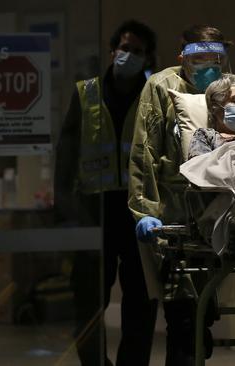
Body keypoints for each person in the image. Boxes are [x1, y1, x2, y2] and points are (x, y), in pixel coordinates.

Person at [54, 20, 158, 366]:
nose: (129, 55)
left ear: (147, 59)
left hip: (137, 210)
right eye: (125, 48)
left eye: (138, 51)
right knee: (88, 301)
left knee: (140, 303)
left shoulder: (153, 95)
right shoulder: (87, 93)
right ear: (113, 51)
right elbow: (66, 155)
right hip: (94, 209)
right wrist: (65, 208)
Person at [128, 25, 232, 366]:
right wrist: (145, 210)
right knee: (183, 314)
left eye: (214, 59)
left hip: (217, 207)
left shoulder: (232, 88)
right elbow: (145, 151)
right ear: (182, 59)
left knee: (203, 311)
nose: (208, 67)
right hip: (175, 213)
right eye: (198, 59)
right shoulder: (161, 87)